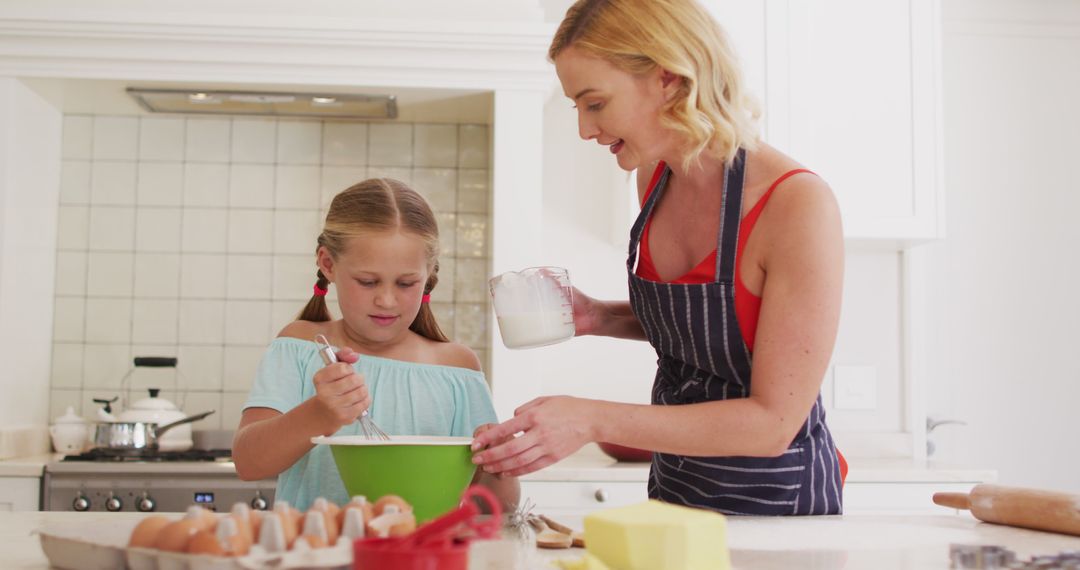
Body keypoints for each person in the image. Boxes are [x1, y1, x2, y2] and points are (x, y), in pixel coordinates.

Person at [472, 0, 847, 515]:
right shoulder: (652, 180)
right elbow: (712, 329)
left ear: (669, 79)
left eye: (595, 103)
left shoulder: (795, 204)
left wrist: (591, 418)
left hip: (777, 507)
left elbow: (773, 423)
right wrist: (601, 317)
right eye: (576, 107)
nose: (584, 129)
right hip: (674, 492)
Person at [233, 178, 520, 512]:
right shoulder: (300, 346)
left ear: (428, 274)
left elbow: (497, 507)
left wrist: (499, 461)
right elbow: (249, 463)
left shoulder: (456, 368)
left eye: (406, 283)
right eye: (367, 282)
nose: (386, 300)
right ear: (328, 265)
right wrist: (318, 415)